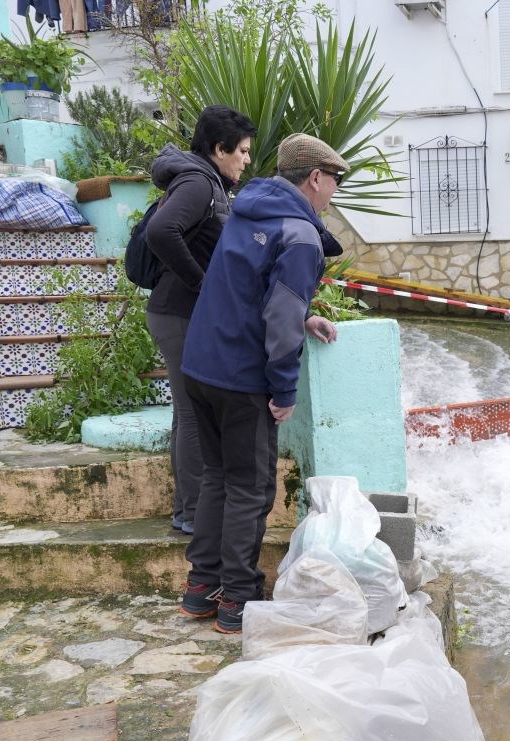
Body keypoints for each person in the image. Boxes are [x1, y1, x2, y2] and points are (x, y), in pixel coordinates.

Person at [178, 133, 345, 634]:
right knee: (250, 489)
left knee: (216, 478)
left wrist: (304, 319)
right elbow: (279, 311)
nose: (335, 190)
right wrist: (285, 389)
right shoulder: (301, 234)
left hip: (200, 366)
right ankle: (238, 598)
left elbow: (248, 288)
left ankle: (201, 588)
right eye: (336, 180)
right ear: (315, 177)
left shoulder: (246, 210)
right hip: (241, 378)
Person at [145, 105, 257, 537]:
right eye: (242, 151)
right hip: (179, 315)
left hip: (178, 313)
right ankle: (191, 513)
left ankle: (187, 507)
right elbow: (160, 232)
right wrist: (203, 284)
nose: (246, 159)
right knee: (193, 413)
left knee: (186, 412)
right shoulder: (197, 182)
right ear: (219, 148)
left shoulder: (205, 181)